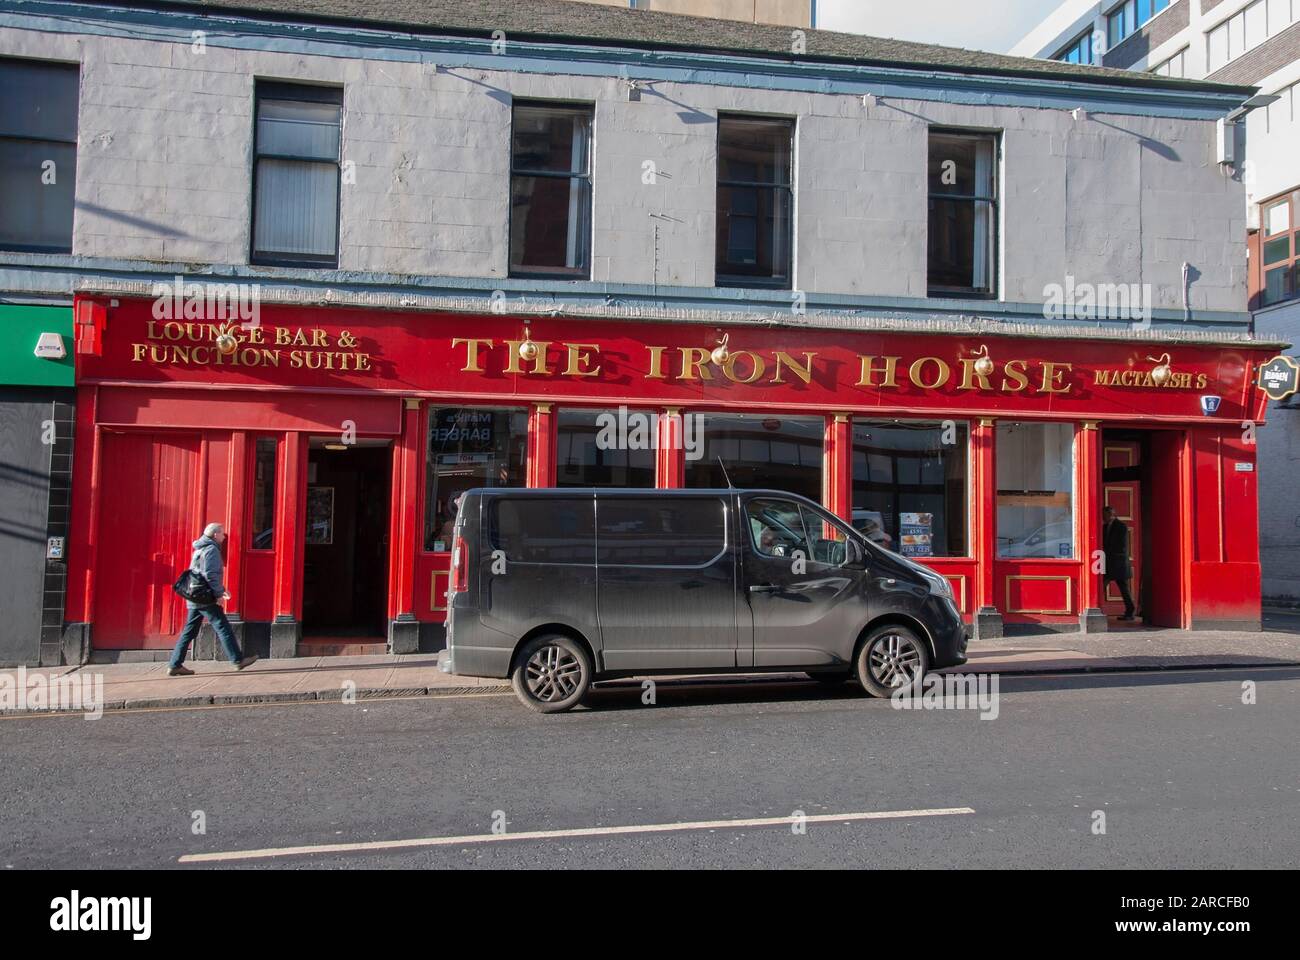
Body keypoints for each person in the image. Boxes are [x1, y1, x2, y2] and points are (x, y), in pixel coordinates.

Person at [168, 522, 258, 675]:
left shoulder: (199, 548)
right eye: (222, 534)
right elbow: (210, 575)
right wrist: (219, 593)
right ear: (215, 535)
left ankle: (175, 664)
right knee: (222, 626)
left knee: (189, 631)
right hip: (205, 597)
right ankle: (237, 659)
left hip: (194, 596)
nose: (224, 537)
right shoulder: (211, 550)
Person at [1102, 506, 1136, 622]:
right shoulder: (1105, 527)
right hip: (1108, 563)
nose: (1103, 517)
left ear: (1111, 514)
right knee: (1101, 585)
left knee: (1124, 588)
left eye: (1105, 515)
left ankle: (1130, 612)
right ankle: (1096, 609)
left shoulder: (1121, 527)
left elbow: (1122, 545)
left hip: (1118, 563)